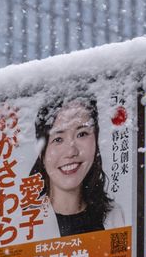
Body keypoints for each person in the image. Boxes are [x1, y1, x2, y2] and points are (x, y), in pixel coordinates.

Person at [27, 93, 125, 237]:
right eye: (58, 139)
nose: (71, 151)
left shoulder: (114, 215)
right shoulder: (24, 222)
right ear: (42, 152)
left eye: (82, 134)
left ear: (96, 140)